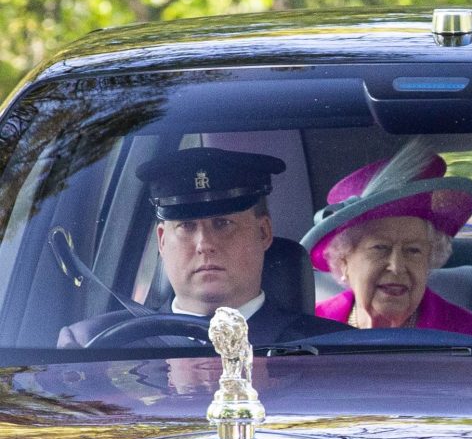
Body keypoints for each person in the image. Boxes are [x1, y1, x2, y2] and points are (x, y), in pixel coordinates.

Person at [58, 147, 348, 348]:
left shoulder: (335, 350)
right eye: (185, 226)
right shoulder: (92, 344)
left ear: (263, 232)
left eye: (222, 224)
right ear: (161, 240)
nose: (204, 244)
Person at [300, 141, 472, 340]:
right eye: (380, 248)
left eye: (413, 250)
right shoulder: (306, 330)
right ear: (343, 260)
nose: (397, 267)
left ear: (429, 260)